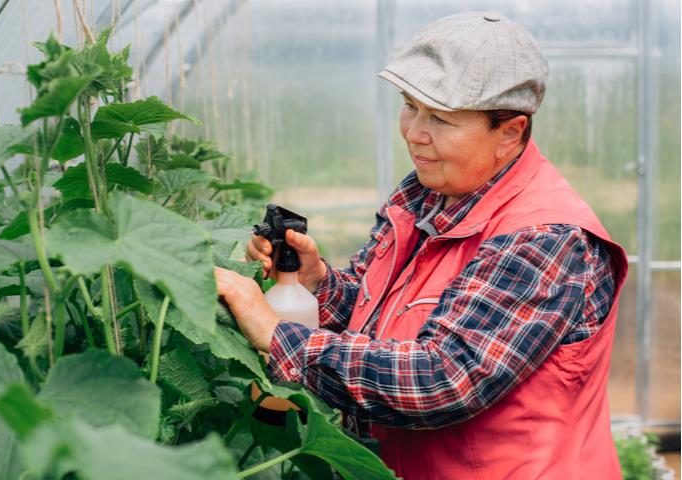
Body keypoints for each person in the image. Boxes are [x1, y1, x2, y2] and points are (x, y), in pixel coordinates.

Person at [214, 11, 630, 479]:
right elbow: (385, 321)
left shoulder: (543, 238)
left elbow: (445, 378)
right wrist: (318, 286)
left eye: (441, 119)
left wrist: (276, 335)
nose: (415, 132)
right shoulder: (426, 195)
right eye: (410, 105)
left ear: (509, 132)